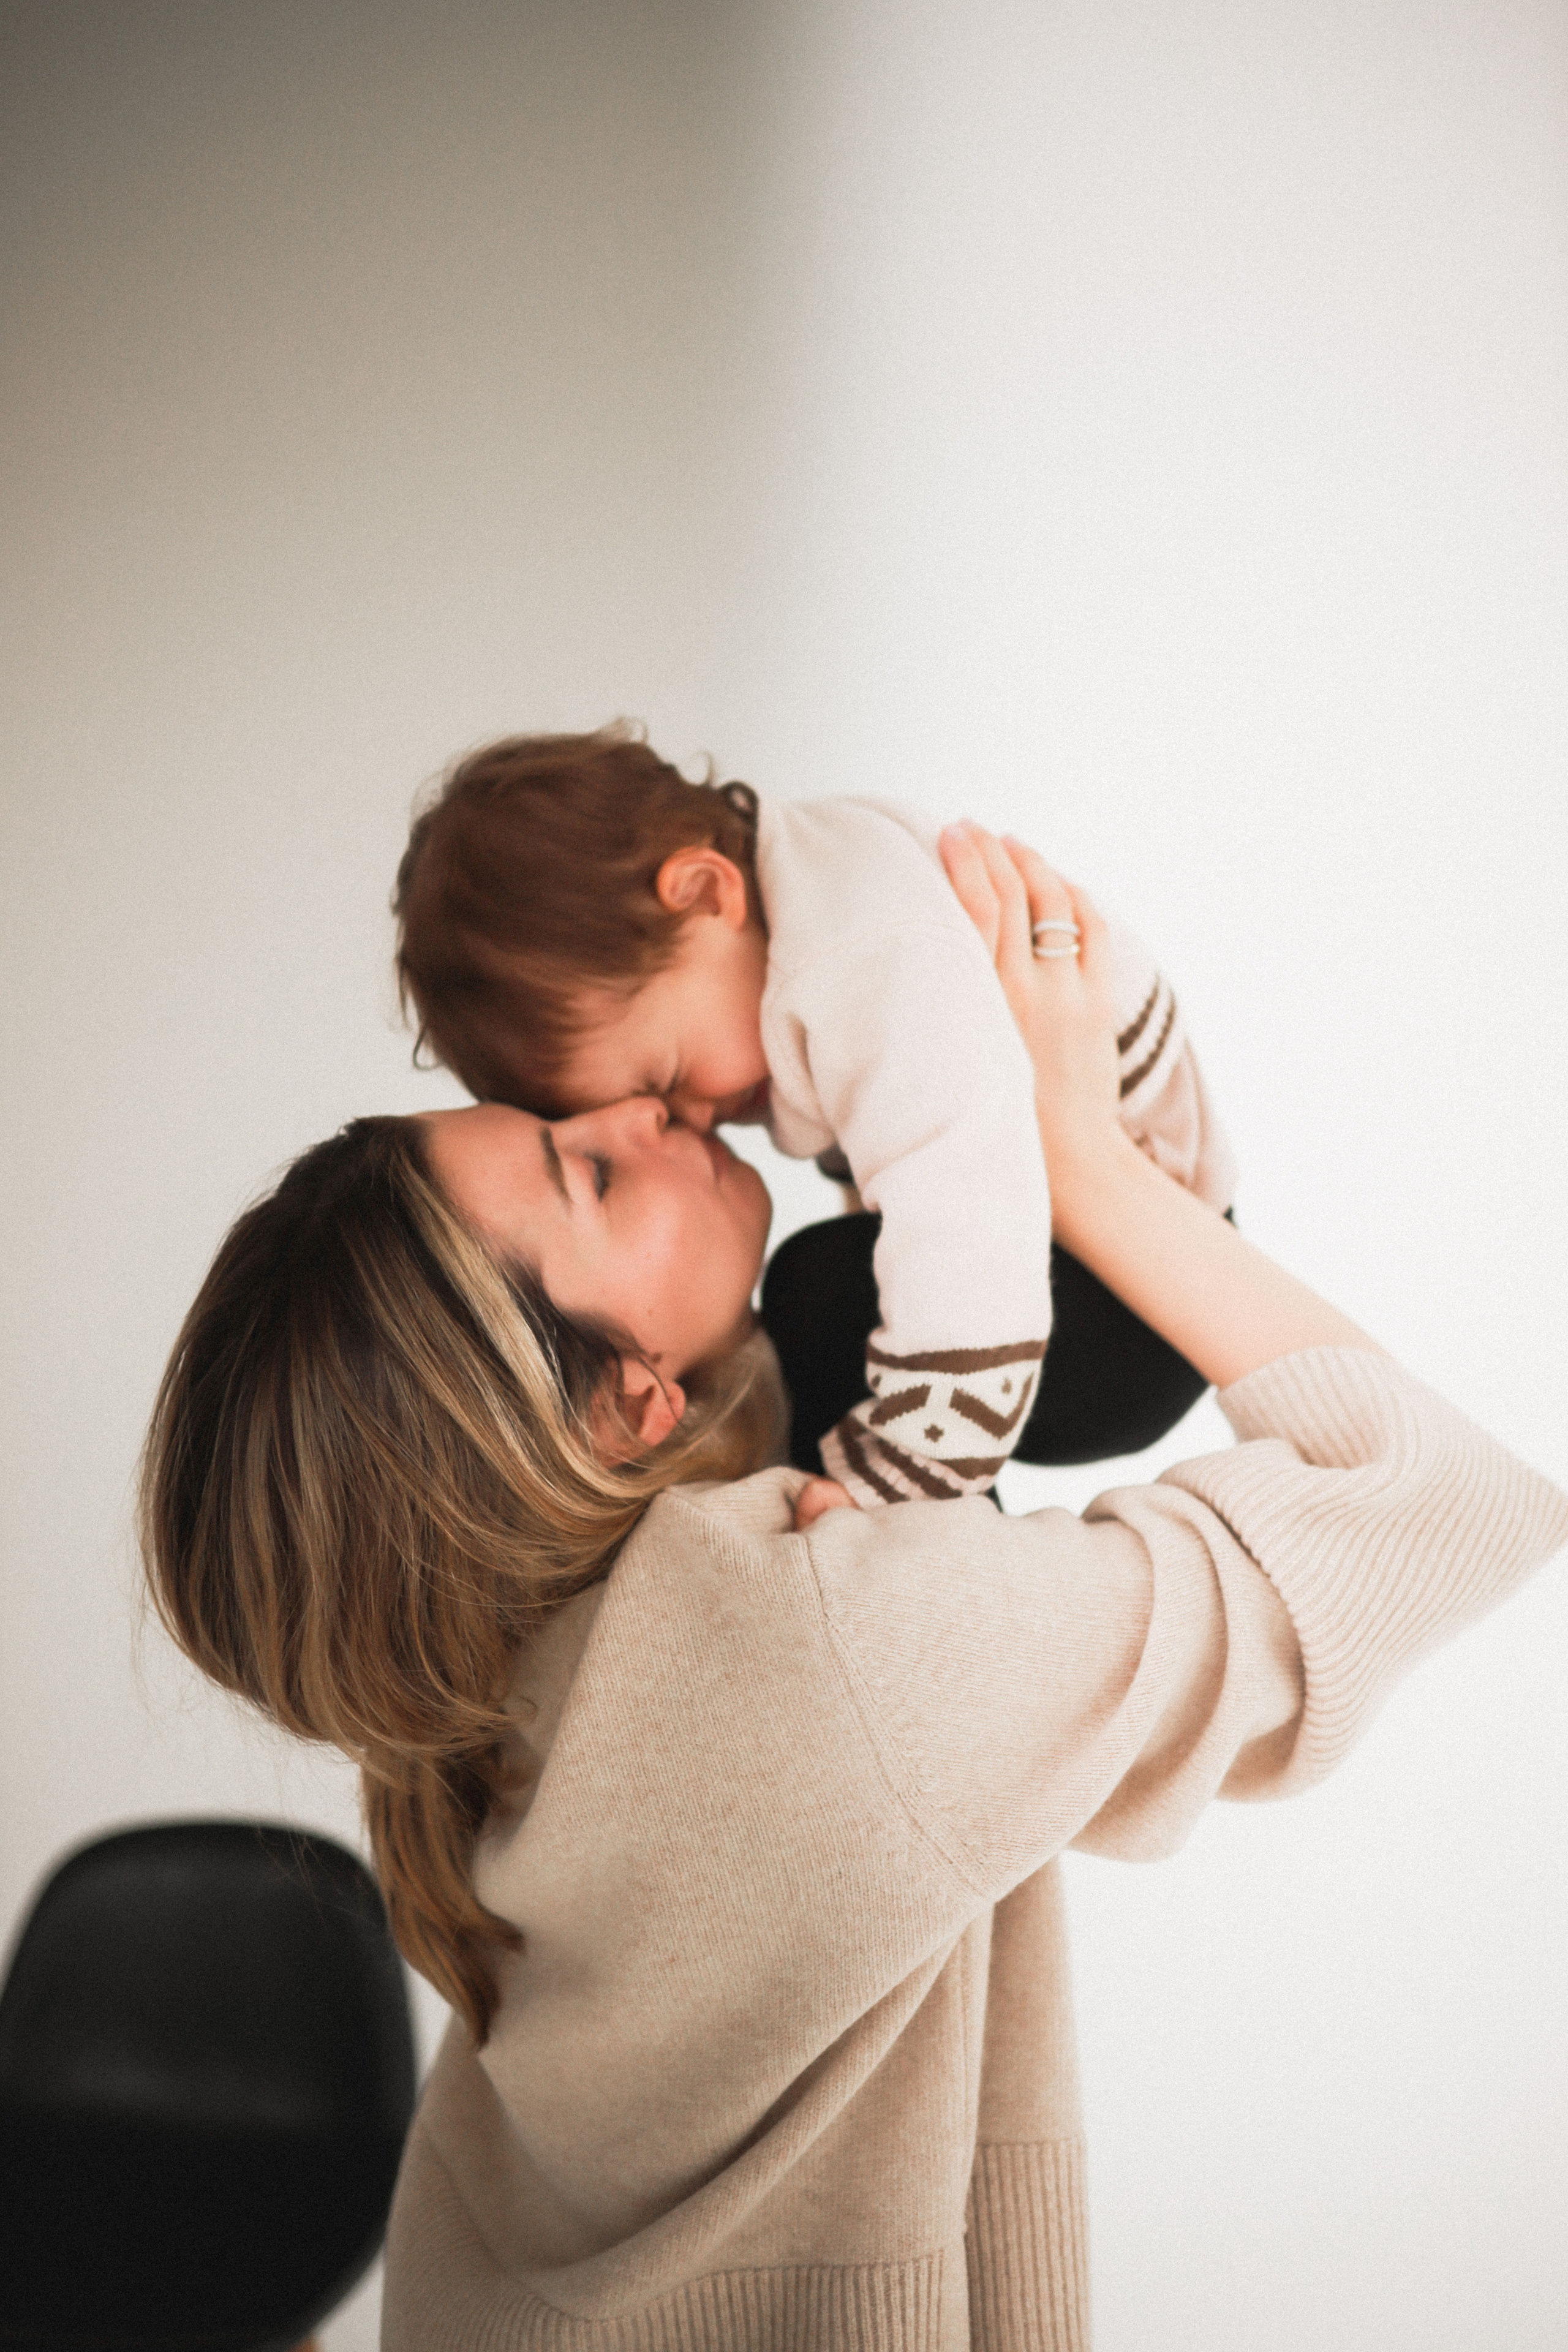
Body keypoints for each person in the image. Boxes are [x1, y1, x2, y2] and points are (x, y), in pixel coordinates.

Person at [139, 832, 1567, 2352]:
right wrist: (1068, 1156)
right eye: (592, 1167)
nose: (633, 1100)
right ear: (628, 1400)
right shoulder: (828, 1653)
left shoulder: (488, 1683)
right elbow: (1439, 1501)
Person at [392, 726, 1236, 1504]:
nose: (689, 1122)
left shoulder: (853, 956)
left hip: (1149, 1299)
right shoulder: (817, 890)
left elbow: (967, 1220)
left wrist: (898, 1479)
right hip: (1098, 1255)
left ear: (703, 891)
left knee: (819, 1300)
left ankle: (909, 1536)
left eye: (671, 1077)